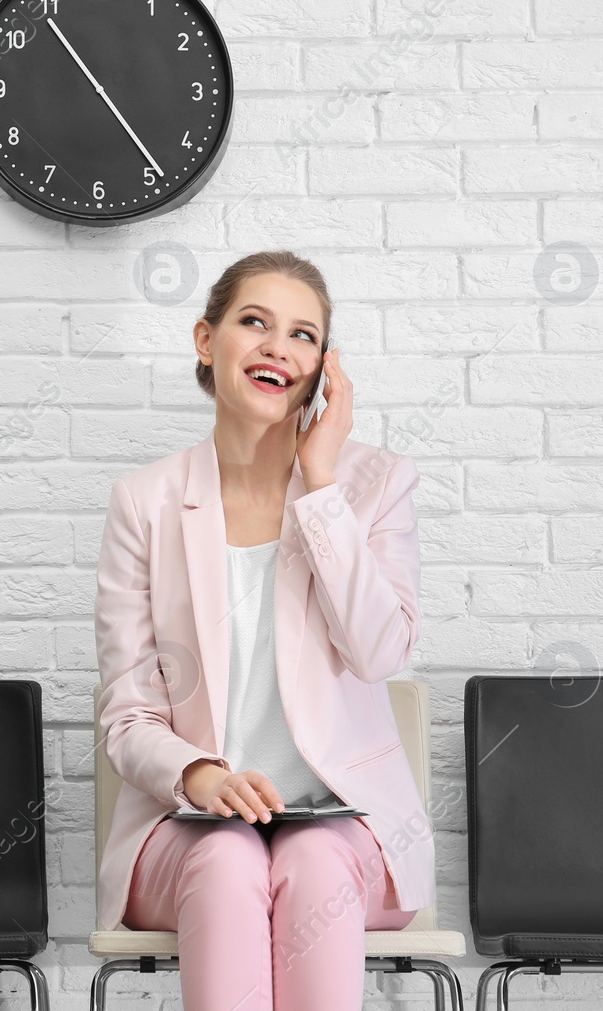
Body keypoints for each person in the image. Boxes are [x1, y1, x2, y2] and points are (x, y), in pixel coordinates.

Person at [93, 250, 437, 1011]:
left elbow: (380, 651)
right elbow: (129, 713)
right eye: (255, 321)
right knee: (227, 857)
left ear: (323, 367)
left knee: (310, 857)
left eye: (303, 334)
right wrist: (201, 775)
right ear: (206, 340)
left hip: (351, 833)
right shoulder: (145, 501)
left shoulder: (376, 483)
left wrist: (322, 488)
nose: (279, 345)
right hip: (186, 828)